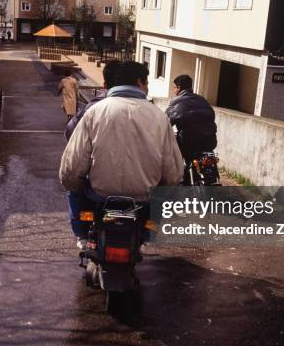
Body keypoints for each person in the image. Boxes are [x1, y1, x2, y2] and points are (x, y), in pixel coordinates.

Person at [60, 61, 183, 247]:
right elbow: (172, 171)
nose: (147, 87)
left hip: (100, 194)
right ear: (139, 82)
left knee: (73, 190)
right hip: (143, 197)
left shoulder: (95, 112)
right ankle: (148, 234)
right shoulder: (159, 117)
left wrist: (73, 183)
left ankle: (82, 235)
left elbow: (74, 163)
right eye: (147, 82)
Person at [64, 60, 122, 140]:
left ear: (104, 85)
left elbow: (70, 130)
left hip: (68, 97)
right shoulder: (140, 107)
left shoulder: (93, 107)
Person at [165, 74, 217, 161]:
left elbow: (166, 121)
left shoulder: (176, 102)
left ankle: (178, 171)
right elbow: (212, 116)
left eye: (174, 87)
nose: (173, 90)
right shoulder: (203, 100)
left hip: (189, 142)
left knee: (171, 154)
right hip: (210, 141)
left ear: (179, 87)